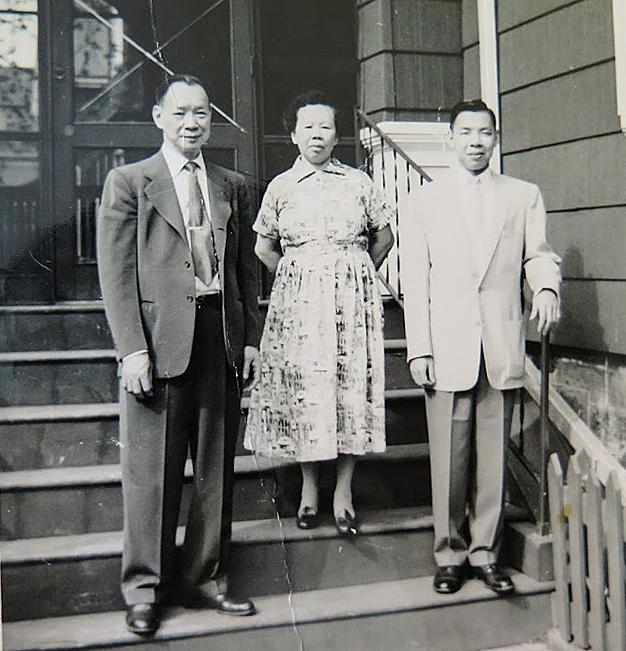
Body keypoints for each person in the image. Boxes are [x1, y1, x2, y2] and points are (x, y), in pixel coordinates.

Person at [97, 74, 261, 636]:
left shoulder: (231, 185)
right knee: (151, 474)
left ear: (211, 121)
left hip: (219, 338)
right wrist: (131, 350)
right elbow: (116, 277)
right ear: (159, 117)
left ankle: (206, 578)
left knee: (215, 469)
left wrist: (250, 339)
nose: (192, 123)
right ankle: (145, 588)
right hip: (158, 342)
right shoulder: (129, 182)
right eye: (182, 112)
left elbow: (245, 271)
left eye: (202, 113)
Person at [401, 99, 561, 597]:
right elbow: (415, 280)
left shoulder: (522, 196)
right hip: (446, 345)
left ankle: (486, 553)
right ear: (450, 139)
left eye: (484, 132)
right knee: (450, 460)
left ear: (496, 138)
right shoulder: (424, 200)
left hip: (498, 342)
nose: (475, 141)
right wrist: (419, 348)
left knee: (492, 457)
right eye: (466, 132)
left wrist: (547, 287)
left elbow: (538, 255)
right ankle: (449, 553)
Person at [244, 90, 395, 536]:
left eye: (325, 126)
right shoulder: (281, 187)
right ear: (293, 136)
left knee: (349, 390)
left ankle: (343, 492)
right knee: (307, 391)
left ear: (336, 135)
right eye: (307, 127)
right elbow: (263, 246)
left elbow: (384, 237)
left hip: (352, 303)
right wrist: (298, 275)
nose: (316, 134)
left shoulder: (359, 183)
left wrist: (356, 273)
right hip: (300, 306)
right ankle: (309, 490)